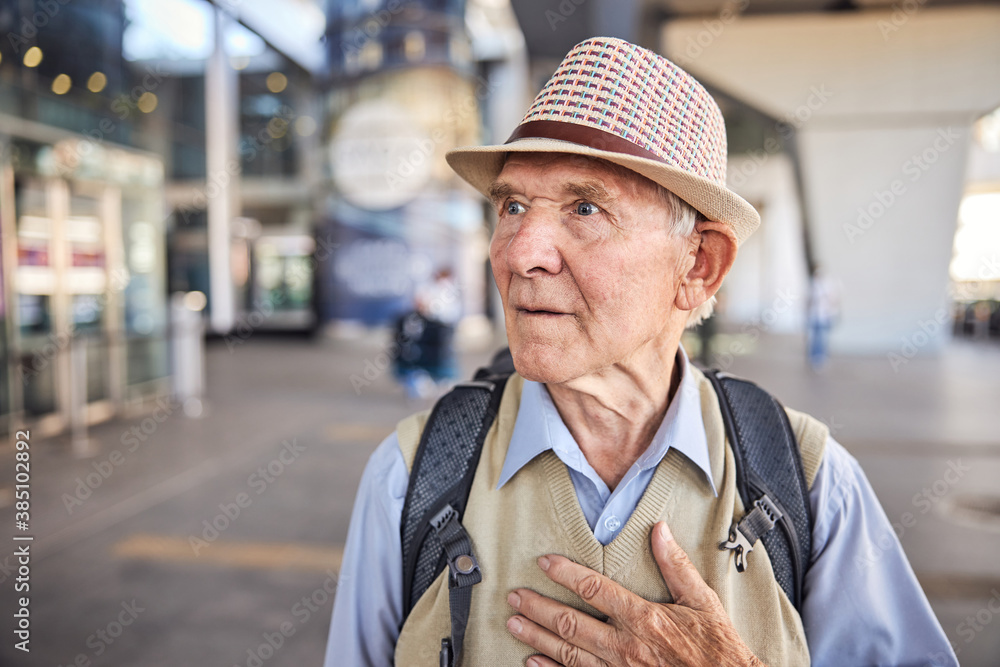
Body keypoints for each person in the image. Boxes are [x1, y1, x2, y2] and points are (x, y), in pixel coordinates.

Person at [326, 37, 957, 666]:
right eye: (512, 205)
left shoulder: (810, 481)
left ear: (699, 266)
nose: (520, 254)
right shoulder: (412, 477)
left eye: (584, 207)